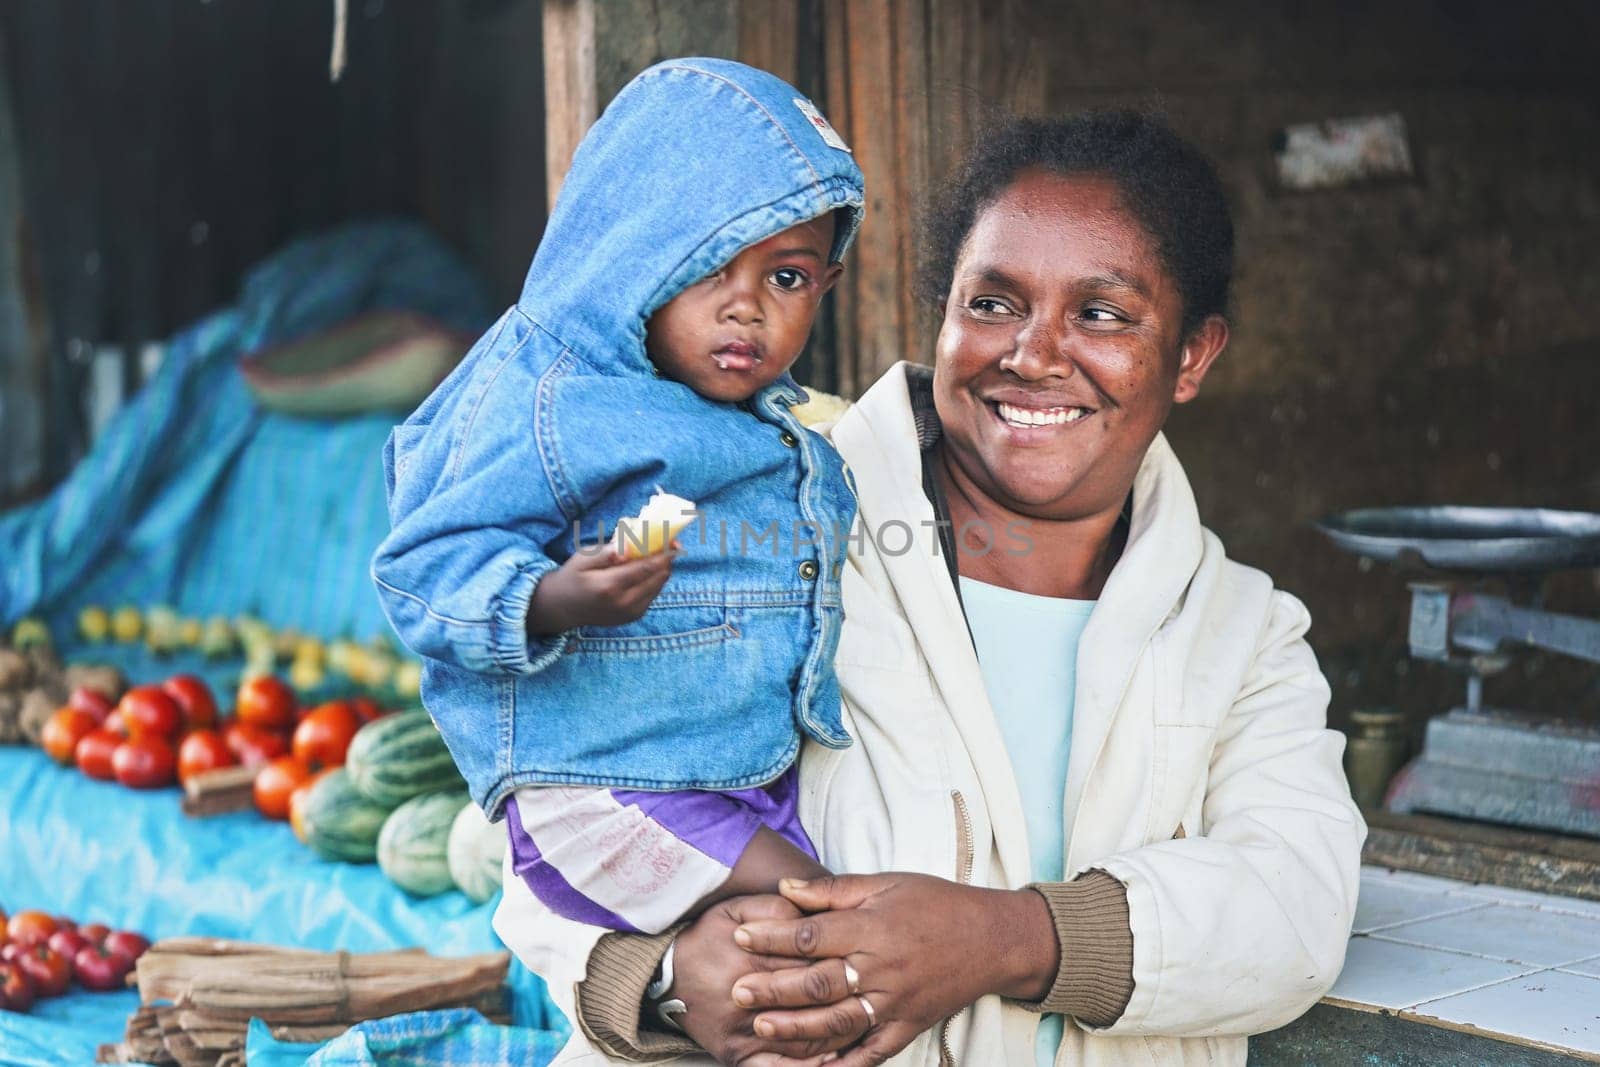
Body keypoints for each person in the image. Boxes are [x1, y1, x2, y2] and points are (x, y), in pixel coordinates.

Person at [495, 109, 1365, 1067]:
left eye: (1103, 313)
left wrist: (1004, 938)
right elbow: (552, 798)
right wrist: (656, 979)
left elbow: (1294, 906)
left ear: (1193, 355)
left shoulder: (1243, 635)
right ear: (942, 315)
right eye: (992, 303)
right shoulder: (739, 516)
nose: (1033, 354)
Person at [371, 58, 866, 937]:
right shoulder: (551, 398)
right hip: (602, 791)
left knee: (781, 996)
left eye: (786, 278)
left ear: (825, 287)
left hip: (733, 776)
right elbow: (422, 565)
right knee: (824, 921)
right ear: (632, 249)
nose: (747, 309)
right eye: (708, 266)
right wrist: (553, 597)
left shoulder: (747, 416)